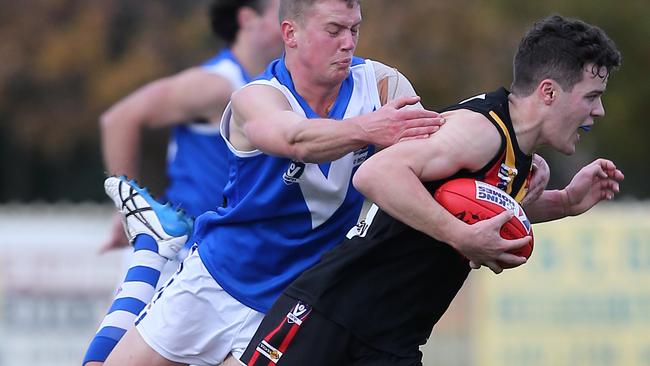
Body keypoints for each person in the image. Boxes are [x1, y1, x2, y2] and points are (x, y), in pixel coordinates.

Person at [239, 14, 624, 366]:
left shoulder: (514, 149)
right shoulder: (479, 131)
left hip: (394, 342)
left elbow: (475, 205)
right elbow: (375, 174)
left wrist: (567, 201)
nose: (599, 111)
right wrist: (461, 237)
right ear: (549, 93)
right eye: (591, 96)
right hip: (331, 318)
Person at [100, 0, 450, 365]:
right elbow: (296, 140)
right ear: (290, 33)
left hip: (297, 297)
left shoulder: (381, 86)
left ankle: (153, 243)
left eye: (354, 29)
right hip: (219, 277)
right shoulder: (253, 95)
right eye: (334, 31)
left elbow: (432, 158)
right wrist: (368, 129)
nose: (348, 42)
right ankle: (150, 252)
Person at [83, 0, 283, 365]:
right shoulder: (218, 83)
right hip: (180, 255)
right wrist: (127, 207)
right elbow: (120, 118)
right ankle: (150, 242)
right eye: (280, 10)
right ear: (247, 18)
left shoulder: (273, 88)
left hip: (224, 266)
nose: (292, 19)